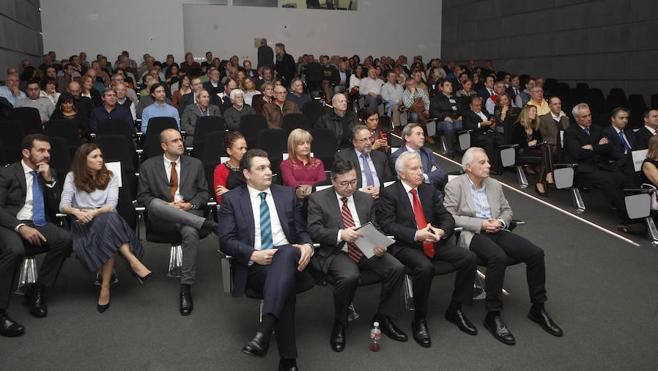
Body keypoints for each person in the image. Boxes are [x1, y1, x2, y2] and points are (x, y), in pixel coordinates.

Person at [444, 147, 563, 345]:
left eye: (488, 161)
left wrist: (500, 223)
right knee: (497, 257)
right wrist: (481, 224)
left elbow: (507, 210)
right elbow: (449, 217)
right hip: (473, 233)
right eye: (482, 162)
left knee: (535, 253)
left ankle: (538, 307)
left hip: (498, 230)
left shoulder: (494, 184)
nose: (488, 165)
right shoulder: (455, 186)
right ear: (468, 167)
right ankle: (493, 314)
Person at [218, 149, 313, 371]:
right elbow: (225, 241)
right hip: (256, 266)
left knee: (288, 252)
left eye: (269, 167)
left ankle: (264, 331)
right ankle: (287, 360)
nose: (269, 172)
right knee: (285, 286)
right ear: (247, 174)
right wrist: (253, 254)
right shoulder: (232, 200)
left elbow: (301, 231)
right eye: (261, 168)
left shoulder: (286, 194)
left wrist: (307, 245)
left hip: (289, 257)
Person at [376, 151, 478, 348]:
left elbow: (446, 217)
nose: (420, 172)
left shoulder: (428, 190)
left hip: (433, 240)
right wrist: (416, 235)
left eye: (421, 168)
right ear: (402, 173)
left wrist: (442, 231)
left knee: (469, 258)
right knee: (425, 268)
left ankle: (455, 309)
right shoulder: (390, 194)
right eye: (415, 169)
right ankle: (419, 319)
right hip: (406, 245)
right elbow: (388, 225)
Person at [307, 159, 407, 352]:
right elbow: (314, 230)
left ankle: (383, 317)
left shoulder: (365, 198)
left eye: (354, 181)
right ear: (333, 181)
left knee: (397, 268)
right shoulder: (318, 199)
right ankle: (340, 323)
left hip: (365, 245)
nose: (350, 187)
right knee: (349, 276)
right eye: (344, 183)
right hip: (338, 250)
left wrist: (378, 243)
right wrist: (339, 234)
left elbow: (374, 226)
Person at [59, 144, 151, 312]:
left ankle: (105, 287)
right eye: (94, 157)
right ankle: (132, 261)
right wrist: (76, 212)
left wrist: (94, 213)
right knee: (110, 226)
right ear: (82, 160)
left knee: (108, 221)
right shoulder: (71, 177)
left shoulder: (110, 175)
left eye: (101, 156)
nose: (100, 159)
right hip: (83, 224)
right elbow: (63, 205)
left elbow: (111, 204)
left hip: (105, 219)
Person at [137, 129, 218, 316]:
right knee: (157, 203)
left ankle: (185, 288)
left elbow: (204, 193)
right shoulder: (148, 166)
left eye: (180, 140)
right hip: (162, 217)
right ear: (164, 146)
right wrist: (168, 206)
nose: (181, 143)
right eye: (174, 141)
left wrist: (190, 204)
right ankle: (207, 224)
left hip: (189, 212)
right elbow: (143, 197)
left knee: (189, 231)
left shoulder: (195, 164)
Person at [0, 134, 72, 337]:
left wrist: (49, 181)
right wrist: (20, 227)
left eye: (48, 151)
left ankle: (38, 290)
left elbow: (56, 207)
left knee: (65, 239)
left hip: (38, 222)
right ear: (26, 152)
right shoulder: (7, 173)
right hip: (8, 223)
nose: (46, 155)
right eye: (41, 150)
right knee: (14, 250)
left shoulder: (49, 172)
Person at [564, 103, 635, 230]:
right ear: (577, 118)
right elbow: (578, 153)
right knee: (608, 181)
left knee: (623, 178)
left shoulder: (597, 128)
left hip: (600, 165)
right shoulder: (571, 132)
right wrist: (598, 146)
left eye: (590, 115)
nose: (589, 118)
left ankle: (637, 212)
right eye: (585, 116)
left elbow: (609, 147)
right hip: (582, 169)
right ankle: (627, 218)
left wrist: (591, 147)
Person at [335, 125, 394, 199]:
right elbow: (341, 184)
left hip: (381, 198)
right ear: (354, 142)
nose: (369, 143)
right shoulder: (343, 157)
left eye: (370, 138)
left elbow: (389, 180)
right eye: (364, 140)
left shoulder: (380, 156)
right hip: (356, 198)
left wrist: (382, 190)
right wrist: (360, 192)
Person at [390, 123, 447, 191]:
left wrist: (424, 177)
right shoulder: (397, 156)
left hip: (432, 192)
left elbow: (442, 173)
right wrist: (431, 174)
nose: (422, 137)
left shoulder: (427, 152)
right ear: (407, 138)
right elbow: (409, 180)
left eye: (422, 134)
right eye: (418, 134)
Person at [512, 105, 553, 196]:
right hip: (521, 152)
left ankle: (540, 182)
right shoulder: (518, 126)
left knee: (546, 147)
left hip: (532, 151)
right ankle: (548, 174)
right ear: (527, 113)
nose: (535, 113)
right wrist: (528, 144)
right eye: (533, 111)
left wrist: (536, 142)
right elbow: (514, 143)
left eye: (535, 111)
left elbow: (540, 140)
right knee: (546, 152)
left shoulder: (534, 126)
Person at [462, 95, 505, 174]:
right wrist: (481, 124)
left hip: (489, 132)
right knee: (489, 141)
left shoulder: (485, 112)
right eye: (476, 106)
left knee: (502, 139)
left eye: (480, 105)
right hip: (476, 135)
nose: (479, 107)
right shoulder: (467, 113)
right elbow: (468, 126)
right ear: (471, 106)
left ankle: (497, 166)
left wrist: (492, 121)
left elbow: (490, 120)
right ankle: (489, 166)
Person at [280, 129, 326, 199]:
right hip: (293, 200)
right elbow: (292, 184)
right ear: (293, 146)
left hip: (316, 199)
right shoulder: (285, 164)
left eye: (308, 142)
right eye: (301, 144)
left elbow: (321, 184)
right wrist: (312, 184)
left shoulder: (318, 163)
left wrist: (301, 184)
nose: (306, 146)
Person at [429, 80, 463, 154]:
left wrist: (461, 116)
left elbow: (462, 109)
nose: (450, 87)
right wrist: (444, 117)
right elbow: (433, 111)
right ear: (441, 88)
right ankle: (450, 149)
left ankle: (463, 148)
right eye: (447, 85)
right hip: (441, 121)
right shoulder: (436, 99)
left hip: (456, 120)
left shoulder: (456, 98)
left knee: (466, 123)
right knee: (449, 125)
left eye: (451, 85)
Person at [213, 131, 247, 203]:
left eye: (245, 148)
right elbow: (221, 199)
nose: (244, 151)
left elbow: (255, 195)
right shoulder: (220, 169)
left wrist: (229, 192)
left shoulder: (250, 167)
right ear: (229, 151)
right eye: (240, 148)